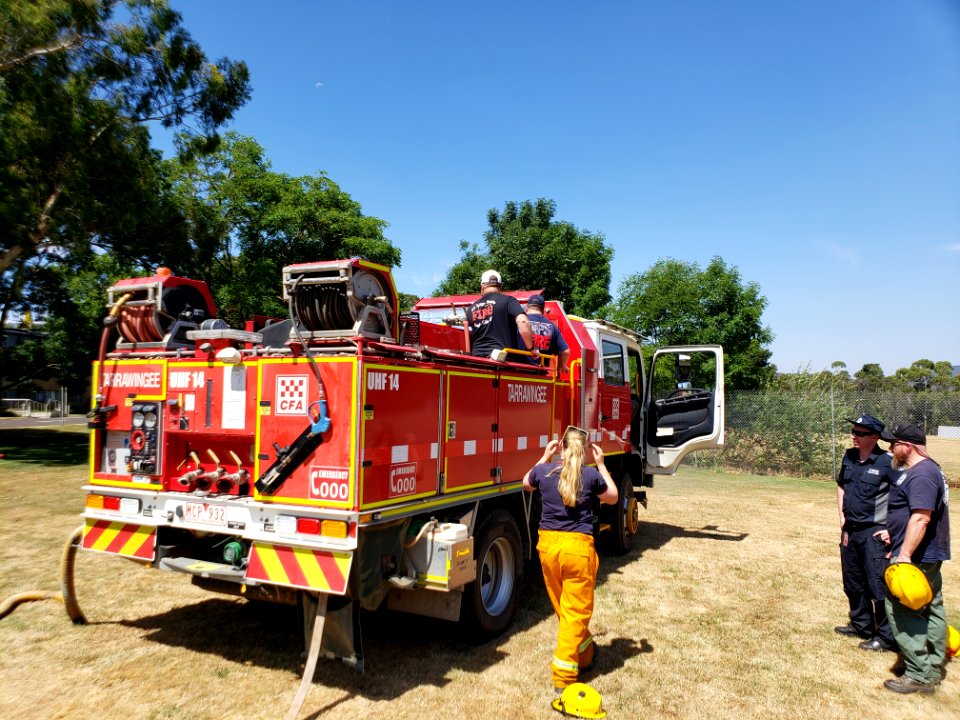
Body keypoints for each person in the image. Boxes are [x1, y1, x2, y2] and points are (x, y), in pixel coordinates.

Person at [523, 427, 619, 693]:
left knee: (565, 611)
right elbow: (613, 496)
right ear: (585, 449)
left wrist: (544, 457)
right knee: (575, 612)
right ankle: (564, 677)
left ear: (562, 448)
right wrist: (601, 464)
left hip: (548, 549)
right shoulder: (590, 476)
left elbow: (525, 483)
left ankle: (586, 655)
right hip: (577, 550)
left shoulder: (544, 472)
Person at [879, 423, 951, 695]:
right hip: (928, 553)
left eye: (894, 443)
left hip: (917, 556)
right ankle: (932, 664)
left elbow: (921, 517)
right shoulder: (930, 469)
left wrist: (904, 555)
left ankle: (919, 674)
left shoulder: (921, 473)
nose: (890, 448)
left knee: (903, 610)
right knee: (932, 607)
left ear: (907, 446)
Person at [833, 414, 898, 652]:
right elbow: (841, 485)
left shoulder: (887, 462)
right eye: (853, 432)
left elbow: (902, 497)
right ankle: (861, 625)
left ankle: (885, 637)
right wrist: (841, 515)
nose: (854, 436)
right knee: (852, 581)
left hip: (874, 532)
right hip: (850, 530)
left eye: (860, 433)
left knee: (877, 585)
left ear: (875, 437)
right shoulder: (849, 457)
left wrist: (892, 529)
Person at [467, 270, 537, 360]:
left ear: (482, 287)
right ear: (500, 286)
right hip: (503, 362)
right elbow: (523, 321)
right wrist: (530, 348)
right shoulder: (508, 301)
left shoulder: (470, 309)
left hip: (477, 361)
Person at [522, 294, 571, 373]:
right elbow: (566, 351)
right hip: (542, 375)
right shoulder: (553, 326)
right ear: (543, 309)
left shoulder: (520, 322)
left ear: (527, 308)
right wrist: (563, 365)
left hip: (519, 372)